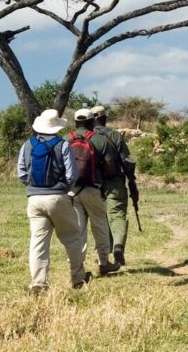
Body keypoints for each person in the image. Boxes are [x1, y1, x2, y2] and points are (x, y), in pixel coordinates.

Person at [17, 109, 90, 291]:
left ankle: (38, 282)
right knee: (72, 237)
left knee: (38, 242)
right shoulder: (63, 145)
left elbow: (21, 173)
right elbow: (72, 173)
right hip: (58, 196)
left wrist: (33, 186)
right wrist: (64, 188)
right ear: (56, 126)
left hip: (34, 198)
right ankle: (78, 277)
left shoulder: (28, 145)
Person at [66, 108, 121, 276]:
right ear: (91, 122)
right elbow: (110, 166)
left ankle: (77, 267)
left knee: (78, 229)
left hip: (72, 190)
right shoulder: (99, 139)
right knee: (100, 225)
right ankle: (103, 262)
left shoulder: (66, 139)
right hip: (93, 188)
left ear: (76, 122)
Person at [91, 105, 137, 266]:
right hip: (115, 182)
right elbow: (126, 160)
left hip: (93, 184)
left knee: (100, 218)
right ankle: (118, 246)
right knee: (117, 214)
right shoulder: (115, 135)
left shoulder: (88, 137)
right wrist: (131, 181)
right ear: (104, 118)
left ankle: (104, 254)